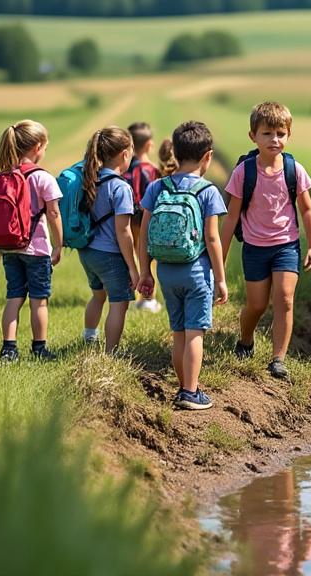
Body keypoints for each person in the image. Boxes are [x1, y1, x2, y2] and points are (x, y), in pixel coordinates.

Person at [220, 102, 311, 380]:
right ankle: (246, 339)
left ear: (288, 135)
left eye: (280, 133)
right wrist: (221, 258)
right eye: (266, 133)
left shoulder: (294, 170)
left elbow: (308, 210)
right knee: (256, 305)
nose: (274, 140)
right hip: (254, 247)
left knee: (285, 299)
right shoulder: (244, 172)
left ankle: (278, 359)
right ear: (253, 136)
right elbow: (231, 218)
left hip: (286, 245)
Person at [137, 121, 228, 410]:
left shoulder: (157, 187)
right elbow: (212, 239)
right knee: (194, 333)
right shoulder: (208, 191)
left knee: (178, 333)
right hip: (196, 271)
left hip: (166, 270)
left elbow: (144, 234)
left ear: (174, 151)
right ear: (208, 156)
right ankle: (190, 392)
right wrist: (221, 278)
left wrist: (144, 271)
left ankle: (184, 387)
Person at [0, 120, 62, 362]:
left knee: (14, 297)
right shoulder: (43, 178)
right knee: (39, 301)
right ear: (38, 147)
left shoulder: (3, 176)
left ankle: (8, 349)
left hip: (9, 248)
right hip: (37, 249)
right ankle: (39, 348)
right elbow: (53, 214)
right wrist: (59, 244)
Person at [77, 127, 140, 352]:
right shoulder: (121, 188)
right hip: (110, 255)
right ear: (124, 153)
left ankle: (89, 336)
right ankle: (111, 352)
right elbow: (123, 232)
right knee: (119, 303)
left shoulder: (87, 180)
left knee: (97, 295)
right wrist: (133, 268)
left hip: (87, 252)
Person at [126, 122, 162, 313]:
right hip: (147, 222)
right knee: (147, 261)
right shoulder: (152, 170)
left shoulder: (123, 169)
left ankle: (131, 296)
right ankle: (147, 298)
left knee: (130, 258)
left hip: (126, 221)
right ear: (149, 144)